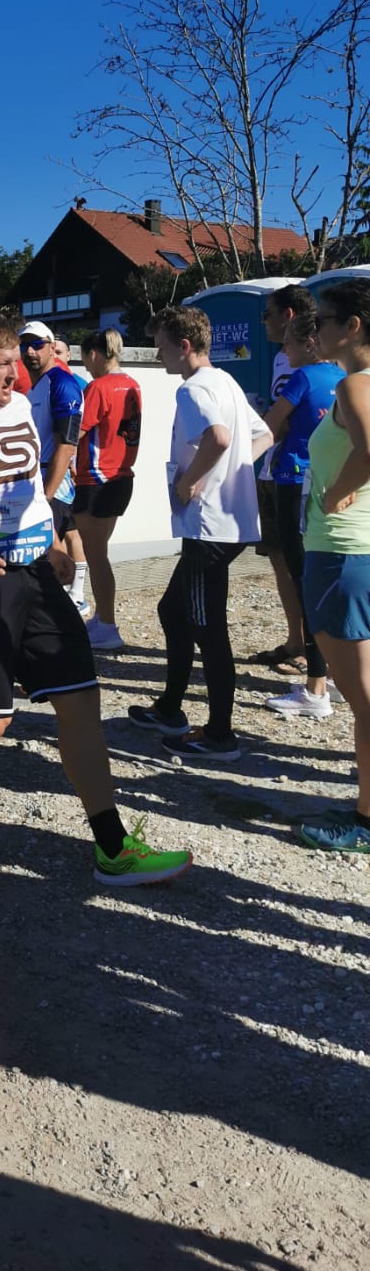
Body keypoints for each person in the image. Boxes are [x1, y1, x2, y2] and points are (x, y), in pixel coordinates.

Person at [0, 317, 190, 888]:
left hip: (35, 577)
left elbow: (20, 485)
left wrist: (51, 542)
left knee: (80, 705)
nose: (12, 375)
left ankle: (113, 846)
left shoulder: (20, 406)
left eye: (15, 365)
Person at [130, 305, 272, 762]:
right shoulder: (225, 381)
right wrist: (234, 473)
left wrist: (192, 480)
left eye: (163, 347)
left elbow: (221, 439)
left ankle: (220, 734)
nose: (159, 356)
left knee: (207, 627)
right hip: (226, 523)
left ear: (184, 346)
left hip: (209, 526)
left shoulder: (193, 390)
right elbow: (263, 434)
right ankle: (171, 708)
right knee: (173, 610)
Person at [295, 282, 370, 853]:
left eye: (323, 320)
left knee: (363, 699)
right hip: (356, 553)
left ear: (354, 327)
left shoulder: (354, 385)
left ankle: (366, 820)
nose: (313, 329)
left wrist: (342, 492)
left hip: (343, 554)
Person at [261, 314, 343, 719]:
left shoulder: (304, 377)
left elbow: (270, 427)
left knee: (303, 581)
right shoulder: (346, 377)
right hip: (331, 485)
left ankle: (315, 688)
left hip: (294, 481)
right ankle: (334, 675)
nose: (285, 352)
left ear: (310, 343)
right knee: (329, 581)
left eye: (289, 345)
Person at [254, 283, 317, 672]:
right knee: (280, 560)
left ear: (288, 315)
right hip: (272, 469)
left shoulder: (309, 362)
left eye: (268, 314)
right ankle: (296, 641)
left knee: (301, 565)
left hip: (296, 473)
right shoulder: (282, 358)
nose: (264, 322)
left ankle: (315, 654)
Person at [73, 329, 142, 652]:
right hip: (121, 476)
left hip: (97, 478)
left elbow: (76, 431)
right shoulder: (132, 384)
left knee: (96, 555)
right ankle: (102, 619)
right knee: (98, 553)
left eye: (86, 359)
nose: (86, 366)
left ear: (95, 354)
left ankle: (108, 624)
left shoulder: (97, 388)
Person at [18, 319, 87, 611]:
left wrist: (46, 494)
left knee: (50, 559)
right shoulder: (37, 387)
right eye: (24, 345)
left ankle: (59, 616)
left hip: (53, 485)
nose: (30, 351)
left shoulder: (61, 383)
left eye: (37, 345)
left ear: (51, 348)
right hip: (38, 479)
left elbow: (67, 444)